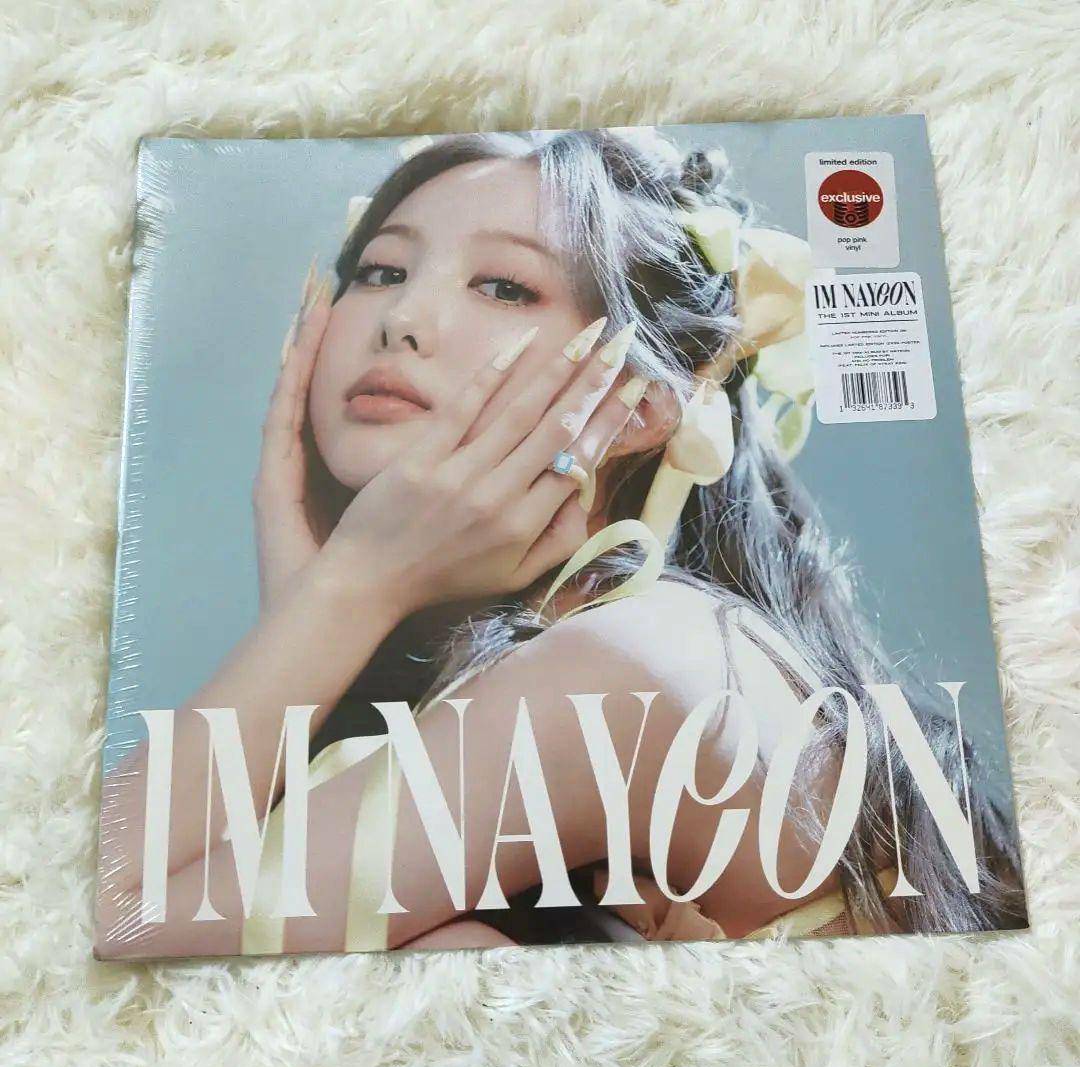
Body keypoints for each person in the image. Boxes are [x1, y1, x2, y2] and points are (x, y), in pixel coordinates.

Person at [95, 128, 1025, 960]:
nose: (400, 318)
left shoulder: (628, 661)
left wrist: (338, 594)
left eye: (504, 286)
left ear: (644, 404)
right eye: (380, 270)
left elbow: (101, 921)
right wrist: (318, 610)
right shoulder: (573, 648)